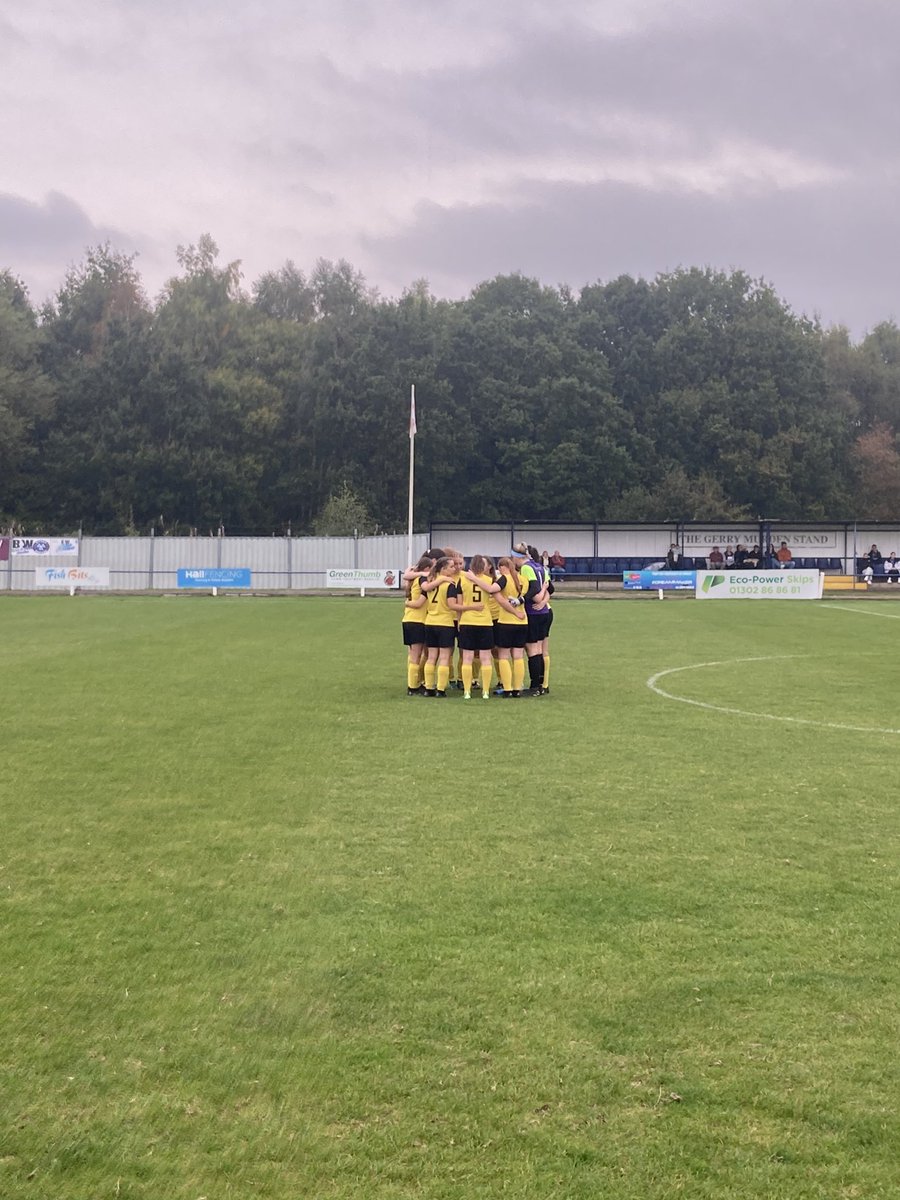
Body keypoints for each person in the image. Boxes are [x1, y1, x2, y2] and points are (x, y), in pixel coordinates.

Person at [515, 542, 553, 695]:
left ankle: (534, 687)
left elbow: (534, 590)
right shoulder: (540, 567)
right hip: (544, 612)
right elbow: (550, 588)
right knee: (540, 649)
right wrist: (544, 600)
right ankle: (542, 685)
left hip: (533, 613)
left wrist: (523, 600)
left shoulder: (526, 568)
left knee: (533, 650)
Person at [401, 553, 433, 694]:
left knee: (415, 654)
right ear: (426, 568)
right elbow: (420, 602)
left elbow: (407, 575)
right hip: (417, 621)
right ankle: (412, 687)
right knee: (416, 655)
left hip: (409, 619)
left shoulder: (413, 579)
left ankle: (415, 683)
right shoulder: (422, 580)